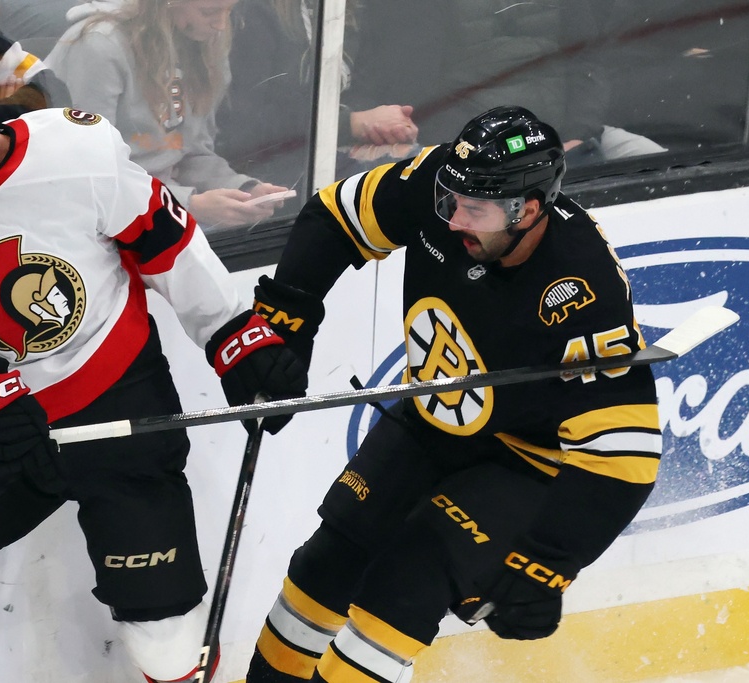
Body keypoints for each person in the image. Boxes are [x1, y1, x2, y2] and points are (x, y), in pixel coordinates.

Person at [0, 36, 306, 682]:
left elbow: (165, 242)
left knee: (165, 643)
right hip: (13, 423)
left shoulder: (77, 150)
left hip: (121, 400)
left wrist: (233, 335)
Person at [241, 106, 662, 682]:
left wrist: (549, 562)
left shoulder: (582, 285)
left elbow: (626, 452)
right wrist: (284, 321)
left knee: (405, 582)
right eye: (449, 201)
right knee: (325, 564)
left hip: (524, 459)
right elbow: (336, 216)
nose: (454, 219)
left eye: (475, 210)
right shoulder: (443, 183)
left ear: (529, 209)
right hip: (432, 419)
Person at [45, 0, 292, 230]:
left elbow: (188, 151)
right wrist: (188, 205)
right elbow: (87, 173)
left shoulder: (205, 44)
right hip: (88, 221)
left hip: (160, 210)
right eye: (209, 12)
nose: (220, 25)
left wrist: (240, 189)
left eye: (230, 11)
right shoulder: (99, 46)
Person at [343, 0, 666, 168]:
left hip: (565, 137)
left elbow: (587, 60)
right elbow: (413, 90)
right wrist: (486, 149)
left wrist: (577, 134)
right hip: (470, 147)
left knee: (662, 169)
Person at [215, 0, 418, 197]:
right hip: (273, 167)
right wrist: (350, 123)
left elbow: (365, 87)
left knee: (419, 165)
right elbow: (246, 125)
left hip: (332, 149)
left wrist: (384, 125)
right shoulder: (255, 12)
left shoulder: (350, 9)